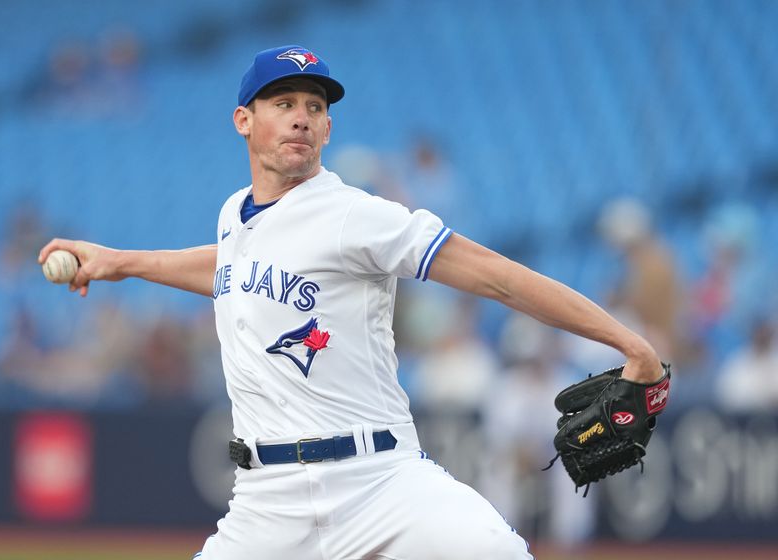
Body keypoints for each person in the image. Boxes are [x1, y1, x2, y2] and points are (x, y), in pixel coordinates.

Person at [39, 45, 664, 560]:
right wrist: (122, 262)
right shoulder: (236, 216)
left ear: (329, 128)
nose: (301, 117)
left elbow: (494, 277)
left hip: (382, 484)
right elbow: (231, 268)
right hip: (266, 504)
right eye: (282, 103)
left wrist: (630, 345)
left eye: (314, 106)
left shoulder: (356, 217)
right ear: (243, 120)